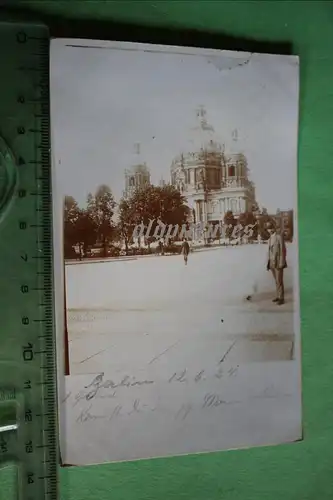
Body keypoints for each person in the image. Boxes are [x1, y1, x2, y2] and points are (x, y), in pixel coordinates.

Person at [266, 222, 287, 305]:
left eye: (271, 228)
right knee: (276, 281)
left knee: (279, 281)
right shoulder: (269, 239)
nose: (270, 230)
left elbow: (283, 250)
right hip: (272, 263)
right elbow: (269, 252)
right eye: (268, 228)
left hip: (278, 262)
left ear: (274, 228)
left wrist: (282, 262)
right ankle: (278, 296)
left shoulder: (279, 237)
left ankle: (281, 298)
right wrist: (268, 263)